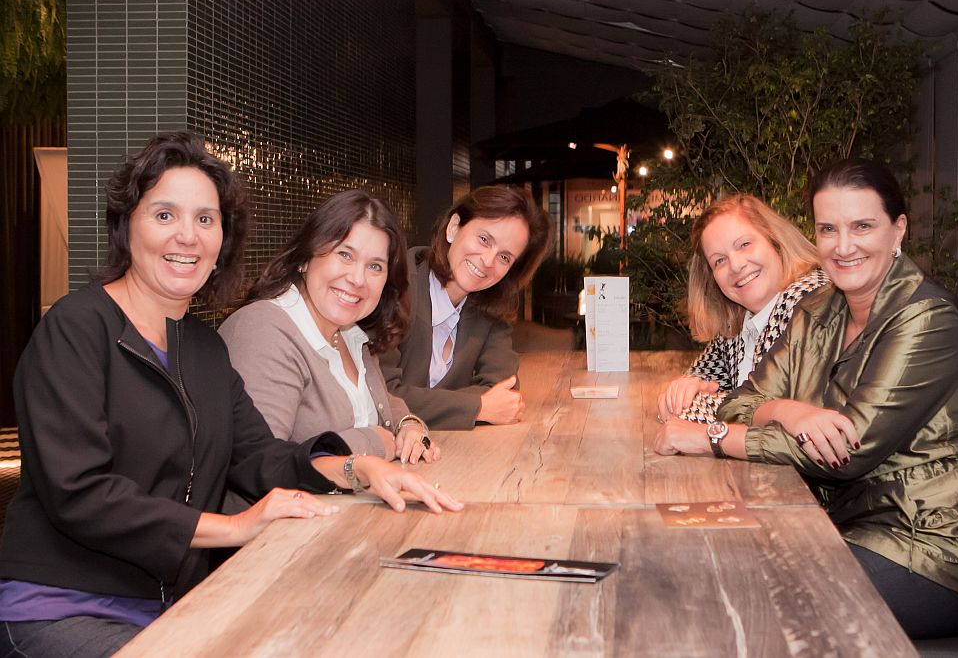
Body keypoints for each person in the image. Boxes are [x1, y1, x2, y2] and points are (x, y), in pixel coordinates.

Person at [0, 132, 462, 657]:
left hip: (172, 602)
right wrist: (238, 525)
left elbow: (260, 456)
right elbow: (79, 492)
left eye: (205, 219)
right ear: (127, 224)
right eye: (165, 215)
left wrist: (359, 469)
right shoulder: (76, 327)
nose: (188, 237)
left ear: (223, 239)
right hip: (63, 606)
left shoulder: (202, 348)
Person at [653, 158, 958, 640]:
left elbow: (845, 451)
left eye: (862, 226)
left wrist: (713, 439)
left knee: (752, 601)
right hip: (853, 528)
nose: (843, 247)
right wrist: (787, 409)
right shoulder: (820, 308)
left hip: (941, 549)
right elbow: (739, 401)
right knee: (707, 566)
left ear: (897, 229)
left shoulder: (928, 319)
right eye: (828, 229)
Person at [220, 190, 440, 481]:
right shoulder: (264, 329)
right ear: (305, 258)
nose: (358, 279)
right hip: (280, 526)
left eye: (375, 266)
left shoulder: (350, 335)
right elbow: (261, 468)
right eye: (345, 255)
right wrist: (373, 444)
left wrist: (410, 425)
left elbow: (382, 404)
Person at [381, 185, 550, 429]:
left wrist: (461, 405)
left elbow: (503, 391)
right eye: (484, 239)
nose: (488, 261)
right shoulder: (395, 287)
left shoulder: (491, 310)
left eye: (505, 257)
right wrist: (479, 407)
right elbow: (383, 397)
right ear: (453, 228)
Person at [656, 193, 829, 424]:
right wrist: (688, 385)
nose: (736, 266)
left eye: (744, 245)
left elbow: (764, 411)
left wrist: (689, 406)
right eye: (719, 260)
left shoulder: (808, 300)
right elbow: (703, 375)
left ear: (775, 241)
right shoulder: (738, 319)